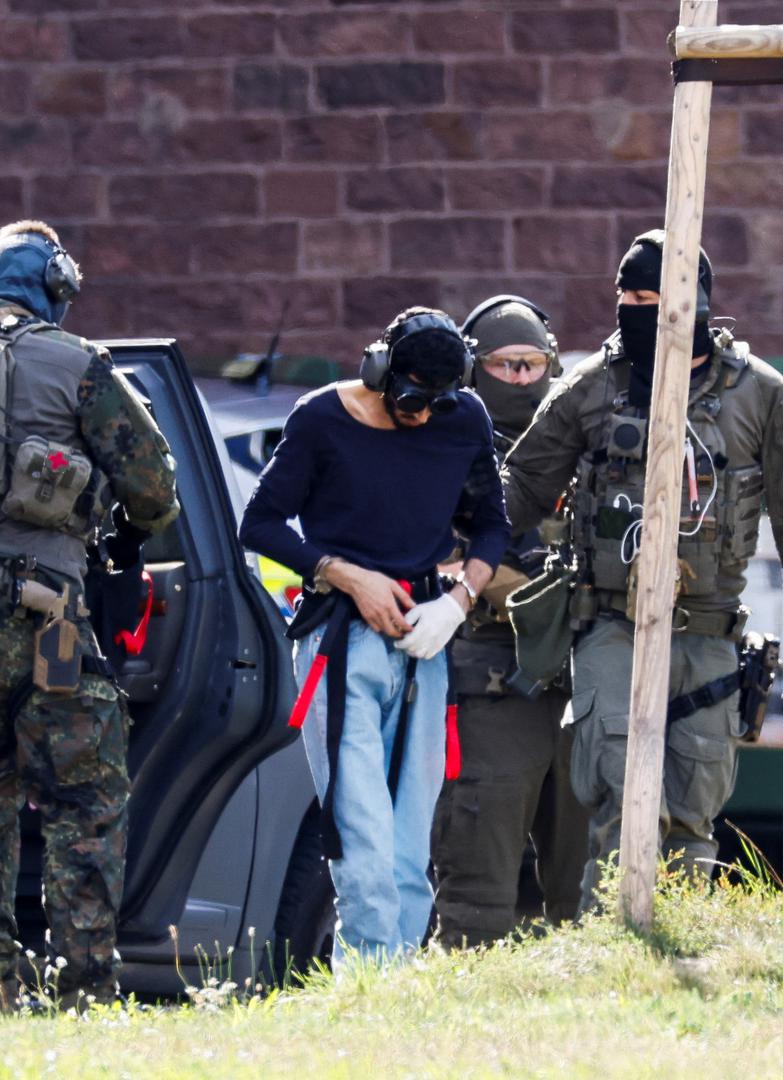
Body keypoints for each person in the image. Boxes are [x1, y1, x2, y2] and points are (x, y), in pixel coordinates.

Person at [0, 220, 179, 1010]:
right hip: (45, 615)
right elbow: (154, 489)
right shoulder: (77, 362)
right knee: (84, 803)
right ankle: (84, 993)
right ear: (57, 283)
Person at [501, 230, 783, 900]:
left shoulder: (760, 395)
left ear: (693, 303)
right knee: (618, 793)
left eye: (652, 298)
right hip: (611, 623)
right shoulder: (592, 386)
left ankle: (679, 944)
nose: (635, 310)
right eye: (627, 296)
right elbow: (516, 490)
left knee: (692, 810)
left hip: (709, 631)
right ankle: (615, 949)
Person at [239, 307, 511, 968]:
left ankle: (395, 990)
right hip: (341, 643)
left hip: (425, 641)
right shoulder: (320, 420)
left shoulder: (464, 418)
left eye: (436, 404)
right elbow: (261, 523)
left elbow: (492, 528)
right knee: (360, 836)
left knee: (410, 840)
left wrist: (458, 600)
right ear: (381, 369)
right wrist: (348, 575)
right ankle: (367, 982)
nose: (421, 416)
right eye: (412, 399)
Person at [430, 296, 588, 948]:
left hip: (583, 686)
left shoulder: (584, 444)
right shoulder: (444, 446)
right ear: (474, 369)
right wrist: (531, 595)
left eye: (534, 365)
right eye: (505, 365)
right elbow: (437, 550)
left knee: (589, 898)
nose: (522, 379)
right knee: (476, 893)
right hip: (494, 684)